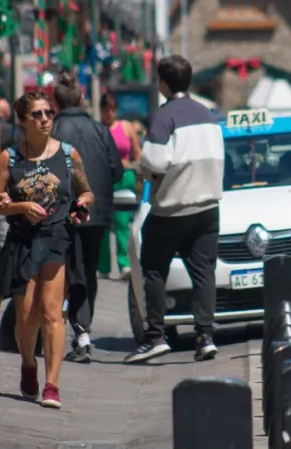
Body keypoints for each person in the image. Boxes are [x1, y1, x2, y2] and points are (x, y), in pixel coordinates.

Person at [0, 91, 95, 408]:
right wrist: (19, 207)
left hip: (57, 239)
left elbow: (87, 192)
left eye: (48, 113)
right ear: (22, 121)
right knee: (26, 317)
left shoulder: (69, 154)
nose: (45, 119)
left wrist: (83, 205)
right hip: (23, 242)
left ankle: (52, 385)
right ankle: (28, 363)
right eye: (37, 114)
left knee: (51, 312)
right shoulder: (9, 158)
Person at [125, 55, 224, 364]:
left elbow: (154, 161)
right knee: (204, 271)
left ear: (164, 84)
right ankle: (205, 336)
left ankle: (156, 337)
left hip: (172, 207)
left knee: (154, 268)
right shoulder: (208, 115)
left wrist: (150, 176)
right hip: (207, 206)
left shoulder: (164, 116)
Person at [51, 74, 124, 364]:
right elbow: (117, 171)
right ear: (82, 99)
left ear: (55, 103)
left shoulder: (53, 130)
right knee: (87, 271)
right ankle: (82, 330)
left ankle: (80, 334)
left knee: (73, 272)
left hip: (66, 212)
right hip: (98, 213)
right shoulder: (100, 130)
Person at [98, 91, 142, 280]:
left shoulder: (126, 127)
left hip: (124, 178)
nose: (110, 113)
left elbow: (137, 154)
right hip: (103, 179)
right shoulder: (98, 129)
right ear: (101, 110)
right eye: (106, 110)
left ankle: (124, 264)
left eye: (113, 109)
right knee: (102, 223)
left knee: (123, 222)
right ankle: (103, 266)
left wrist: (134, 168)